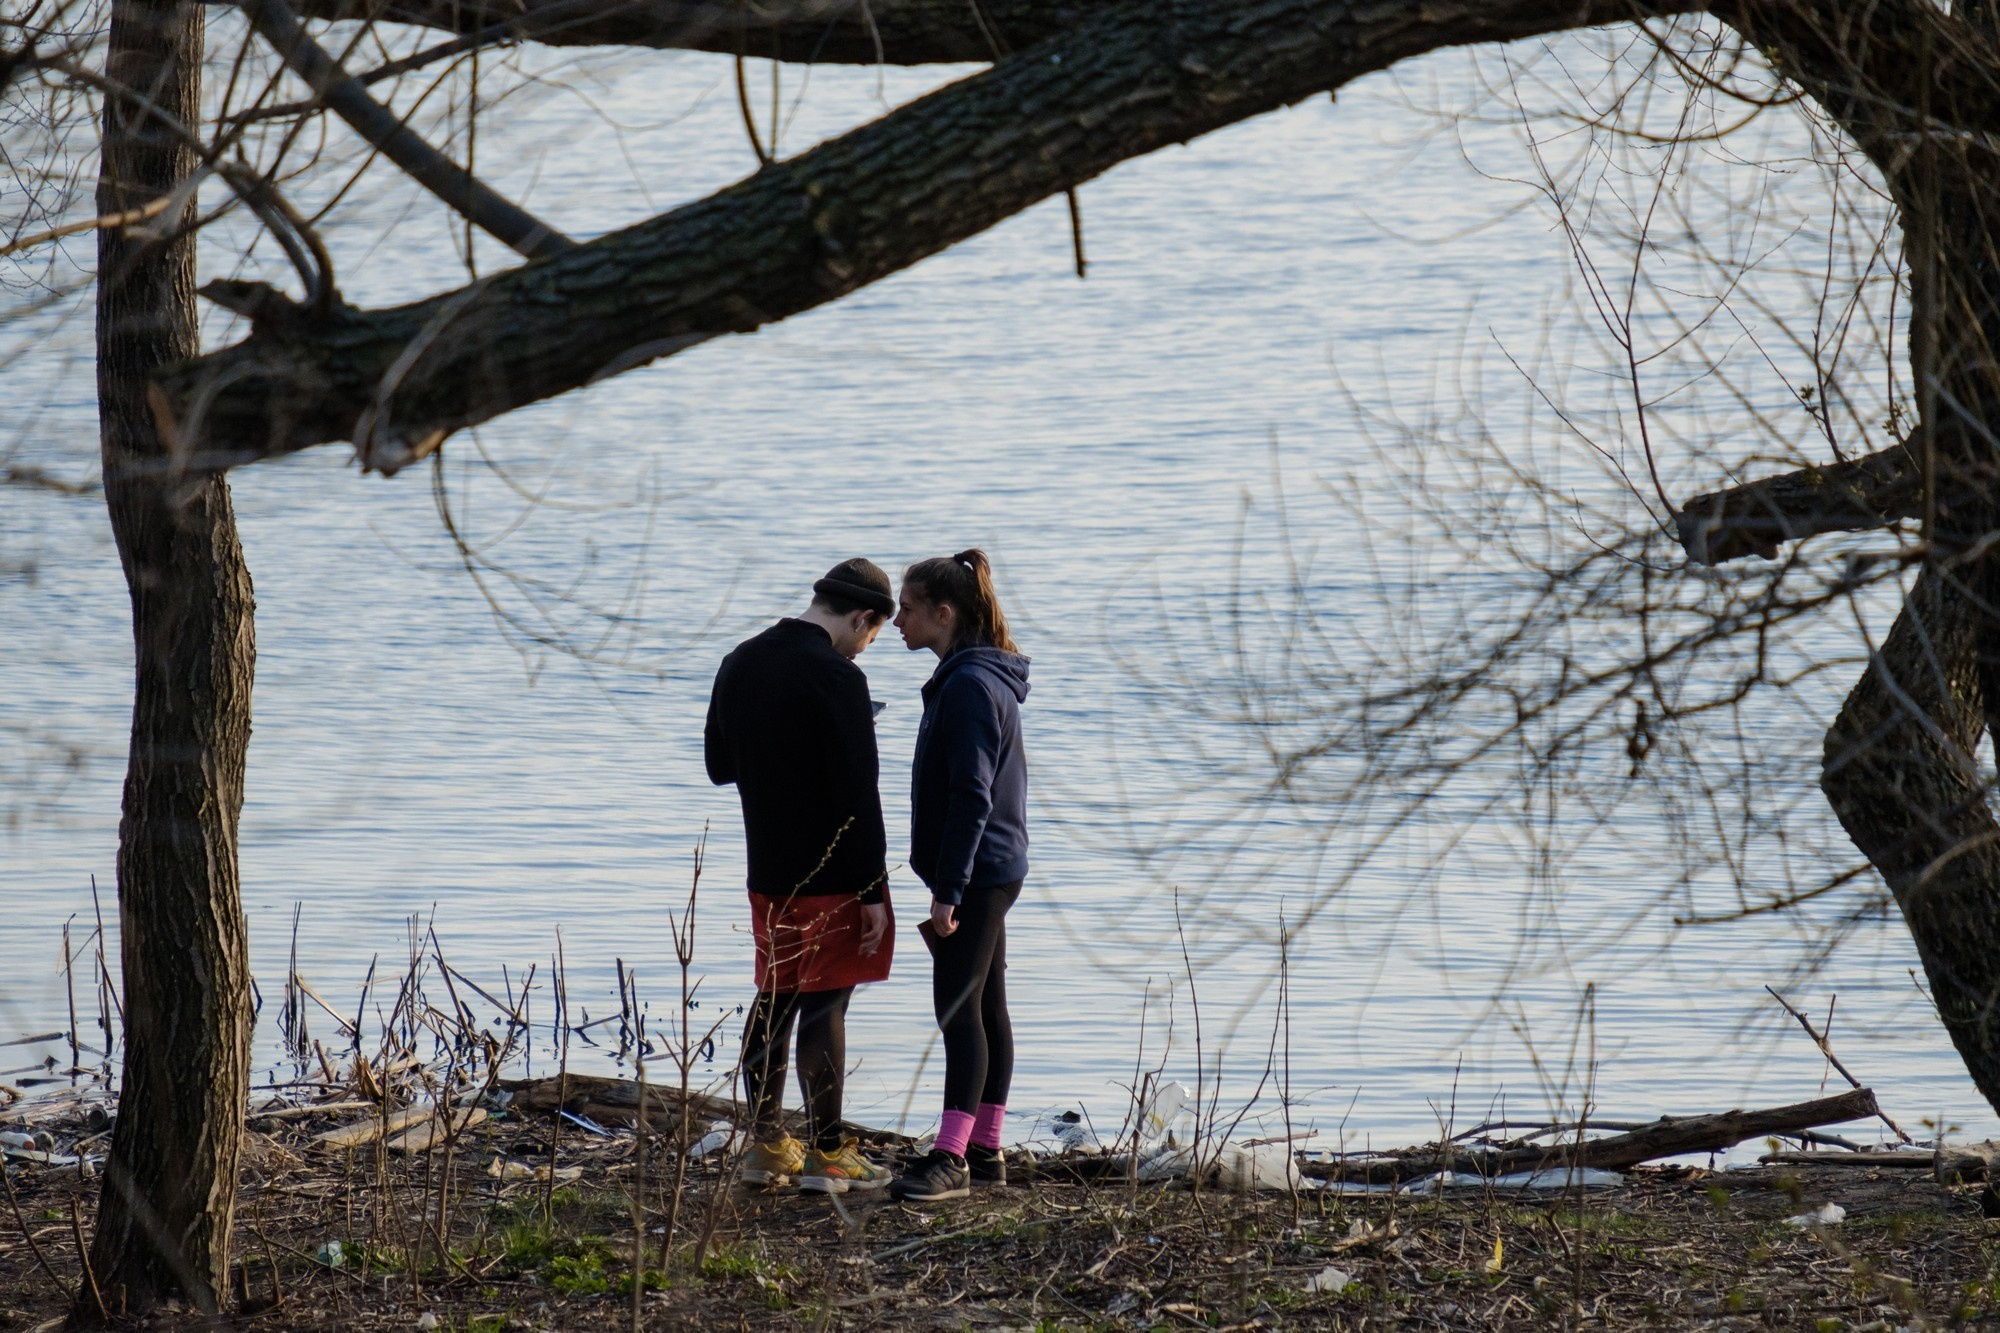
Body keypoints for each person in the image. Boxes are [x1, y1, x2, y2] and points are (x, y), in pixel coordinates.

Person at [704, 558, 899, 1194]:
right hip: (834, 867)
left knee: (776, 993)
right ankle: (829, 1151)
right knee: (826, 999)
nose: (866, 649)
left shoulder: (741, 659)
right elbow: (858, 794)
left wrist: (777, 756)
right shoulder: (838, 677)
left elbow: (718, 765)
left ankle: (764, 1144)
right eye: (871, 638)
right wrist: (872, 889)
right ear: (863, 618)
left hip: (768, 864)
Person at [887, 548, 1031, 1202]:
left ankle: (951, 1158)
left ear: (944, 613)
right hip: (992, 864)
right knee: (987, 1004)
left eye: (908, 608)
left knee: (959, 1008)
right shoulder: (975, 675)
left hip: (976, 870)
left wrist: (948, 890)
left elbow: (973, 794)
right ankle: (986, 1144)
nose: (896, 621)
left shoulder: (971, 684)